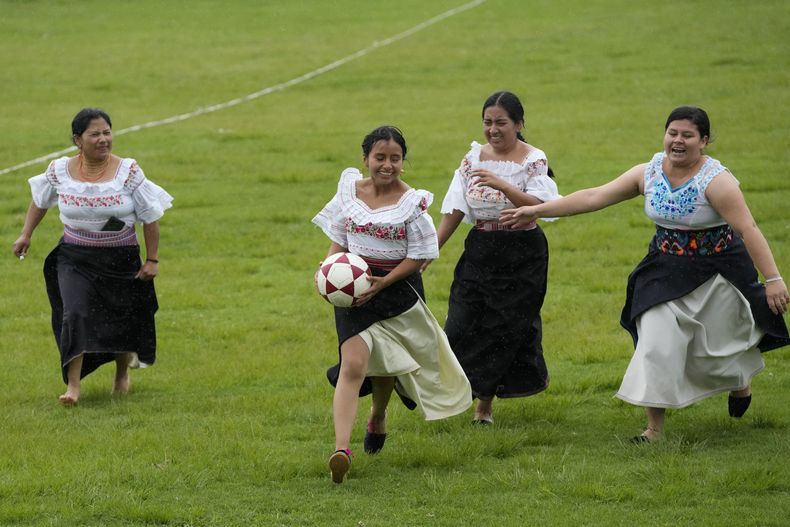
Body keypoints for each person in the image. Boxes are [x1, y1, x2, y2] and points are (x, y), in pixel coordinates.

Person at [501, 105, 790, 442]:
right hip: (664, 269)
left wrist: (773, 280)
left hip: (719, 271)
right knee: (655, 341)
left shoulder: (717, 181)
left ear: (705, 141)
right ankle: (653, 429)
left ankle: (740, 382)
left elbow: (748, 228)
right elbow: (594, 196)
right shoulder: (648, 172)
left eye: (688, 135)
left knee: (721, 343)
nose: (678, 141)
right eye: (673, 133)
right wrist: (536, 210)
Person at [312, 125, 472, 483]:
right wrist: (330, 274)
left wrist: (383, 281)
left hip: (397, 290)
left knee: (387, 364)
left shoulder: (412, 204)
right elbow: (338, 239)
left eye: (395, 158)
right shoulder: (349, 193)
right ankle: (341, 450)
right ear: (365, 159)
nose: (387, 165)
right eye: (379, 157)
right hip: (354, 290)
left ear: (403, 161)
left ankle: (378, 415)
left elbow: (419, 256)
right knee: (354, 364)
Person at [12, 108, 173, 406]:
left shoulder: (129, 172)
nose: (103, 139)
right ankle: (73, 387)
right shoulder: (59, 170)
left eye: (107, 132)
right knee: (75, 313)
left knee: (123, 316)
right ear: (77, 139)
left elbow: (151, 216)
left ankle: (122, 373)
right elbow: (40, 200)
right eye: (95, 134)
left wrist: (152, 260)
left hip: (121, 257)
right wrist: (26, 234)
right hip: (74, 257)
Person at [426, 91, 561, 425]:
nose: (493, 129)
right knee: (459, 322)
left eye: (501, 122)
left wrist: (502, 185)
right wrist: (432, 248)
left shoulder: (533, 159)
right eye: (488, 122)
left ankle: (483, 406)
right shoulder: (473, 158)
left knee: (504, 329)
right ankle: (449, 392)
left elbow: (540, 205)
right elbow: (455, 208)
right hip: (481, 249)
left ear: (518, 124)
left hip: (522, 253)